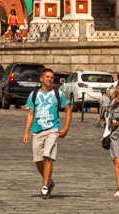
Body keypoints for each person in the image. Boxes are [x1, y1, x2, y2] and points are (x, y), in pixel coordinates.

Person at [23, 66, 72, 199]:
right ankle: (49, 181)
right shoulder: (34, 95)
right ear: (41, 79)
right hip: (37, 130)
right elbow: (30, 113)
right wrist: (26, 132)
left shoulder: (58, 94)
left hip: (52, 129)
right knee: (38, 161)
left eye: (52, 77)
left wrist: (66, 128)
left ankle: (45, 187)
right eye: (47, 77)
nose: (50, 79)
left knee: (47, 157)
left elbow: (68, 109)